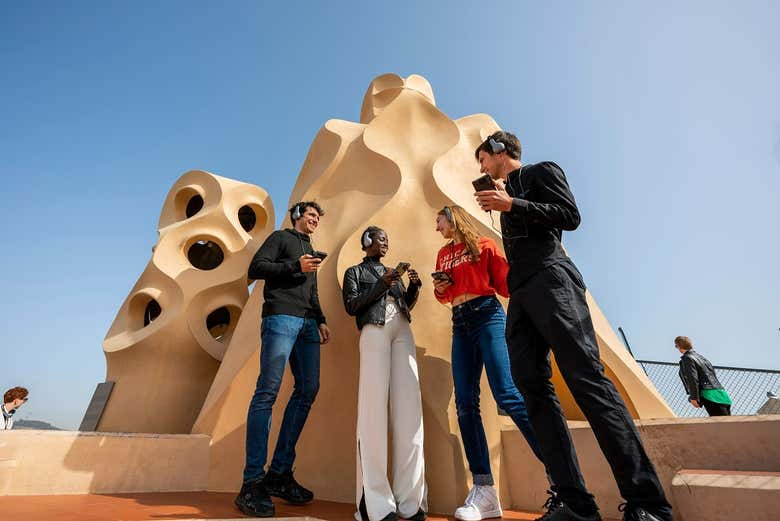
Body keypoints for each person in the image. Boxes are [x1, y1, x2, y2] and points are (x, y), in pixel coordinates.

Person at [473, 131, 674, 521]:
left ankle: (648, 504)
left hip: (552, 278)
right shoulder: (505, 195)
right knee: (531, 388)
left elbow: (570, 216)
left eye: (481, 158)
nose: (479, 168)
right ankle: (575, 504)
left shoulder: (540, 171)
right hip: (520, 293)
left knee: (586, 380)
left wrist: (512, 203)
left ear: (499, 151)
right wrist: (506, 203)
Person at [432, 205, 545, 521]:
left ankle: (557, 470)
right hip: (459, 321)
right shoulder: (442, 254)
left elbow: (504, 284)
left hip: (487, 315)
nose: (436, 226)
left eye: (439, 220)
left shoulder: (484, 245)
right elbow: (444, 295)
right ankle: (484, 490)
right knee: (465, 404)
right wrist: (441, 289)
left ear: (452, 217)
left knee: (507, 394)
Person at [235, 201, 332, 518]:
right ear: (296, 217)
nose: (315, 218)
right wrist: (294, 266)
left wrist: (320, 318)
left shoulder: (311, 250)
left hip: (307, 324)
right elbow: (255, 269)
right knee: (267, 392)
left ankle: (279, 473)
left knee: (308, 389)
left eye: (318, 216)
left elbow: (311, 289)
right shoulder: (281, 238)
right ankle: (251, 484)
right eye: (310, 214)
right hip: (280, 319)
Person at [342, 226, 427, 521]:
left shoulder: (393, 272)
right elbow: (352, 305)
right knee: (372, 413)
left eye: (387, 239)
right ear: (367, 242)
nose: (385, 243)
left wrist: (413, 288)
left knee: (409, 413)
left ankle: (411, 501)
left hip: (402, 331)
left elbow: (404, 304)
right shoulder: (354, 272)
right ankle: (375, 503)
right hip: (373, 330)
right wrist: (381, 283)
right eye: (380, 238)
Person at [675, 336, 732, 416]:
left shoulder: (687, 358)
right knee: (727, 425)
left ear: (679, 346)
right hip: (721, 393)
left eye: (676, 346)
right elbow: (712, 375)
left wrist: (694, 397)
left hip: (709, 395)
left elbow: (692, 378)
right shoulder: (703, 358)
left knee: (720, 425)